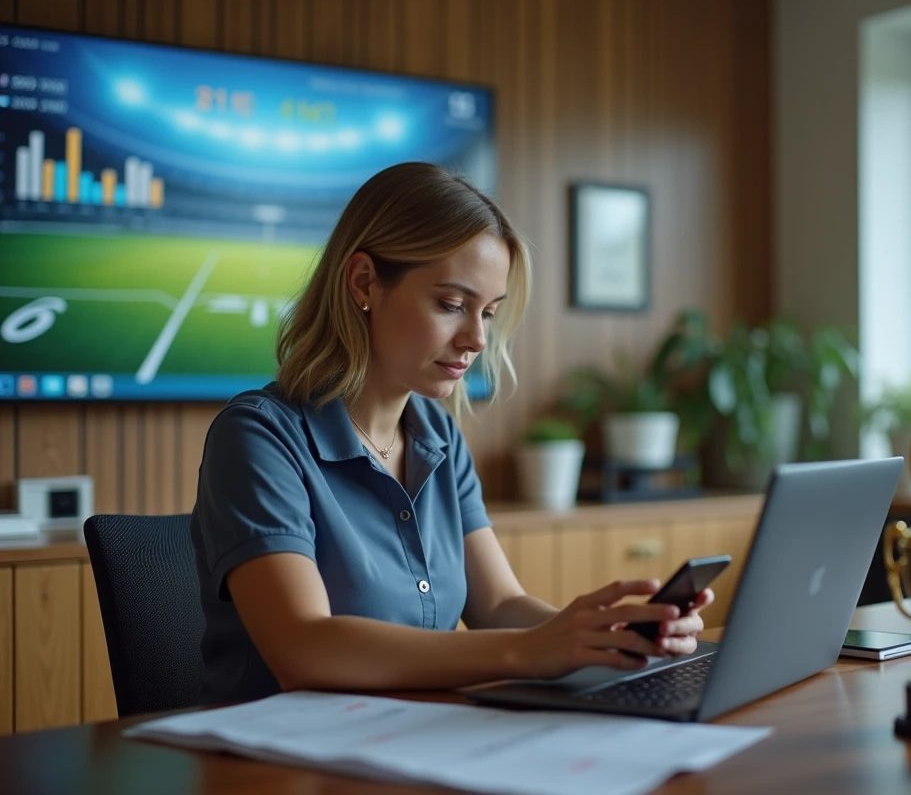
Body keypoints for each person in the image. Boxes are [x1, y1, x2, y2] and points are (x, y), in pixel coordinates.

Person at [190, 162, 714, 703]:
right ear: (364, 282)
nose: (477, 339)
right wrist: (532, 651)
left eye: (488, 312)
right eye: (451, 305)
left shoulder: (436, 434)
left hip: (413, 742)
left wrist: (606, 639)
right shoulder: (257, 438)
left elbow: (500, 605)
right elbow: (304, 648)